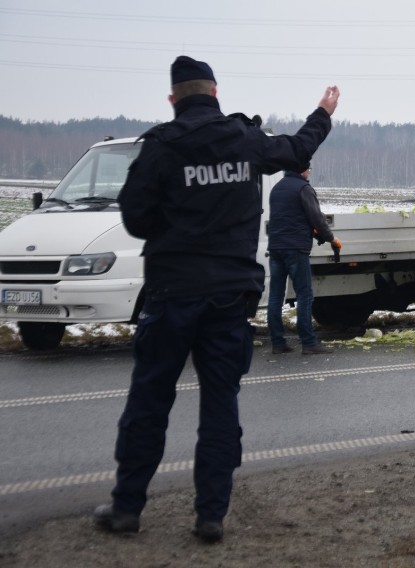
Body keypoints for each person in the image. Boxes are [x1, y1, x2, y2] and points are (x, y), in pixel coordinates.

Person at [94, 55, 339, 542]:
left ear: (172, 99)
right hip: (229, 298)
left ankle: (126, 510)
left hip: (171, 293)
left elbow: (136, 219)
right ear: (216, 92)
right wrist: (323, 113)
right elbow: (296, 150)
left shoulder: (160, 147)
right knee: (221, 404)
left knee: (149, 400)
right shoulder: (244, 140)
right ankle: (210, 517)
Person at [267, 163, 339, 355]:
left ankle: (277, 342)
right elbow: (316, 218)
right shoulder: (303, 188)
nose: (309, 173)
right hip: (296, 249)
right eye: (309, 169)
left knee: (275, 296)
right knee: (305, 295)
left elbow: (290, 217)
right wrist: (331, 239)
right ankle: (308, 342)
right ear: (302, 170)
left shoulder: (277, 188)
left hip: (275, 248)